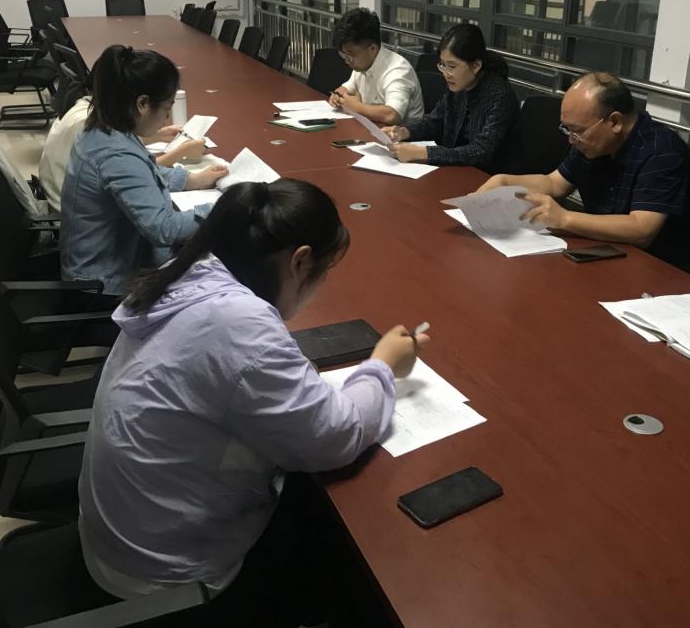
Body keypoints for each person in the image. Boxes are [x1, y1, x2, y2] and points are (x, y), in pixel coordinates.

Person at [78, 179, 430, 626]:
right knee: (349, 551)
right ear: (300, 261)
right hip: (164, 579)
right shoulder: (239, 327)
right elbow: (337, 435)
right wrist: (382, 365)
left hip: (124, 533)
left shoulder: (191, 272)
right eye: (324, 272)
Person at [476, 71, 690, 266]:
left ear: (615, 122)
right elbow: (555, 183)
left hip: (664, 269)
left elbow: (642, 230)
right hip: (605, 251)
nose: (571, 139)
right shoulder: (592, 142)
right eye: (568, 129)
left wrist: (565, 218)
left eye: (577, 131)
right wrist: (505, 181)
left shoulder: (661, 151)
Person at [60, 45, 227, 296]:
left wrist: (191, 179)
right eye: (167, 107)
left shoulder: (106, 130)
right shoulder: (115, 154)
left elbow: (143, 174)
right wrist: (223, 208)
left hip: (103, 268)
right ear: (143, 104)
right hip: (103, 289)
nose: (167, 117)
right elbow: (163, 229)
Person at [381, 23, 521, 173]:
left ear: (476, 66)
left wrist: (424, 153)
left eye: (452, 66)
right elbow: (433, 121)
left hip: (486, 176)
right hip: (455, 168)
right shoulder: (458, 86)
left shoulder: (499, 95)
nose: (446, 74)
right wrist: (404, 131)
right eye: (442, 65)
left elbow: (481, 151)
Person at [40, 95, 207, 213]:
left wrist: (156, 135)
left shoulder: (87, 107)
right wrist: (180, 153)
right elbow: (134, 169)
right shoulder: (92, 127)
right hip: (66, 210)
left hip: (62, 200)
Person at [328, 8, 424, 126]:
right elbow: (347, 88)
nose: (347, 61)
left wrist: (357, 107)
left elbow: (393, 115)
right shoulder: (362, 65)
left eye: (351, 55)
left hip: (402, 135)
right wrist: (337, 96)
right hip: (372, 128)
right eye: (344, 55)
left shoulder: (398, 70)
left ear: (372, 48)